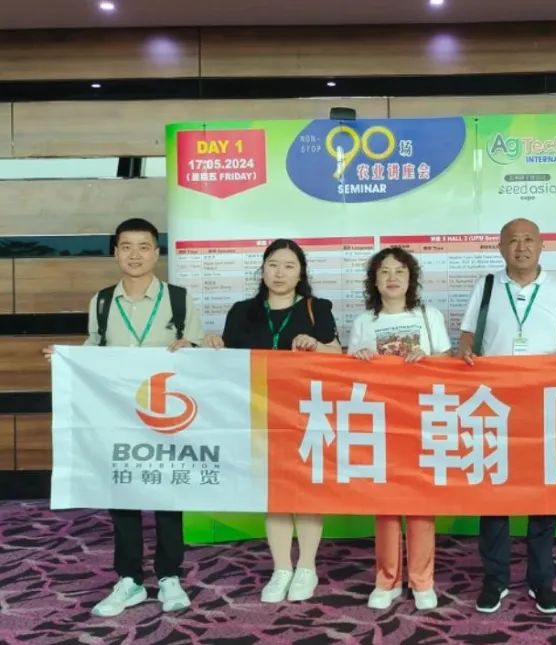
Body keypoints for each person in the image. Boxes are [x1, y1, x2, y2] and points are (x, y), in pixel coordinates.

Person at [43, 218, 205, 617]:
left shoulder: (179, 299)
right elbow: (94, 347)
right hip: (118, 414)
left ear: (156, 253)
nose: (135, 254)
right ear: (115, 252)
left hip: (166, 414)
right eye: (126, 246)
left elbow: (198, 349)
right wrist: (66, 358)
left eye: (144, 246)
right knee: (122, 494)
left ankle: (169, 575)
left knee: (169, 495)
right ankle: (129, 579)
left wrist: (192, 347)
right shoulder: (102, 301)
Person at [207, 238, 341, 604]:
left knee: (306, 491)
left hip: (305, 412)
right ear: (262, 270)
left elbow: (337, 354)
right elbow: (229, 361)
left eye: (289, 266)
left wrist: (317, 346)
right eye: (273, 265)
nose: (280, 273)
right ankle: (282, 567)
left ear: (301, 273)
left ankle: (307, 567)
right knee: (276, 492)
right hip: (259, 413)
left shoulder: (316, 308)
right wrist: (214, 345)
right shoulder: (241, 311)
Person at [458, 218, 556, 614]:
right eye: (513, 241)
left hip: (543, 407)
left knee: (542, 498)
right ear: (500, 247)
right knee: (494, 495)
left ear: (542, 245)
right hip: (494, 407)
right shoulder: (487, 286)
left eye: (529, 240)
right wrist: (465, 350)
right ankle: (495, 580)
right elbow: (467, 335)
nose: (522, 247)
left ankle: (541, 580)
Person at [348, 247, 452, 611]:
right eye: (384, 272)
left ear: (411, 279)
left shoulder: (429, 316)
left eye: (400, 271)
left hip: (422, 420)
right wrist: (358, 358)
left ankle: (422, 580)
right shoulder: (364, 322)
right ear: (374, 281)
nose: (392, 278)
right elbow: (347, 374)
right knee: (386, 504)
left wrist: (428, 359)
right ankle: (386, 580)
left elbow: (448, 362)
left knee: (421, 503)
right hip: (381, 423)